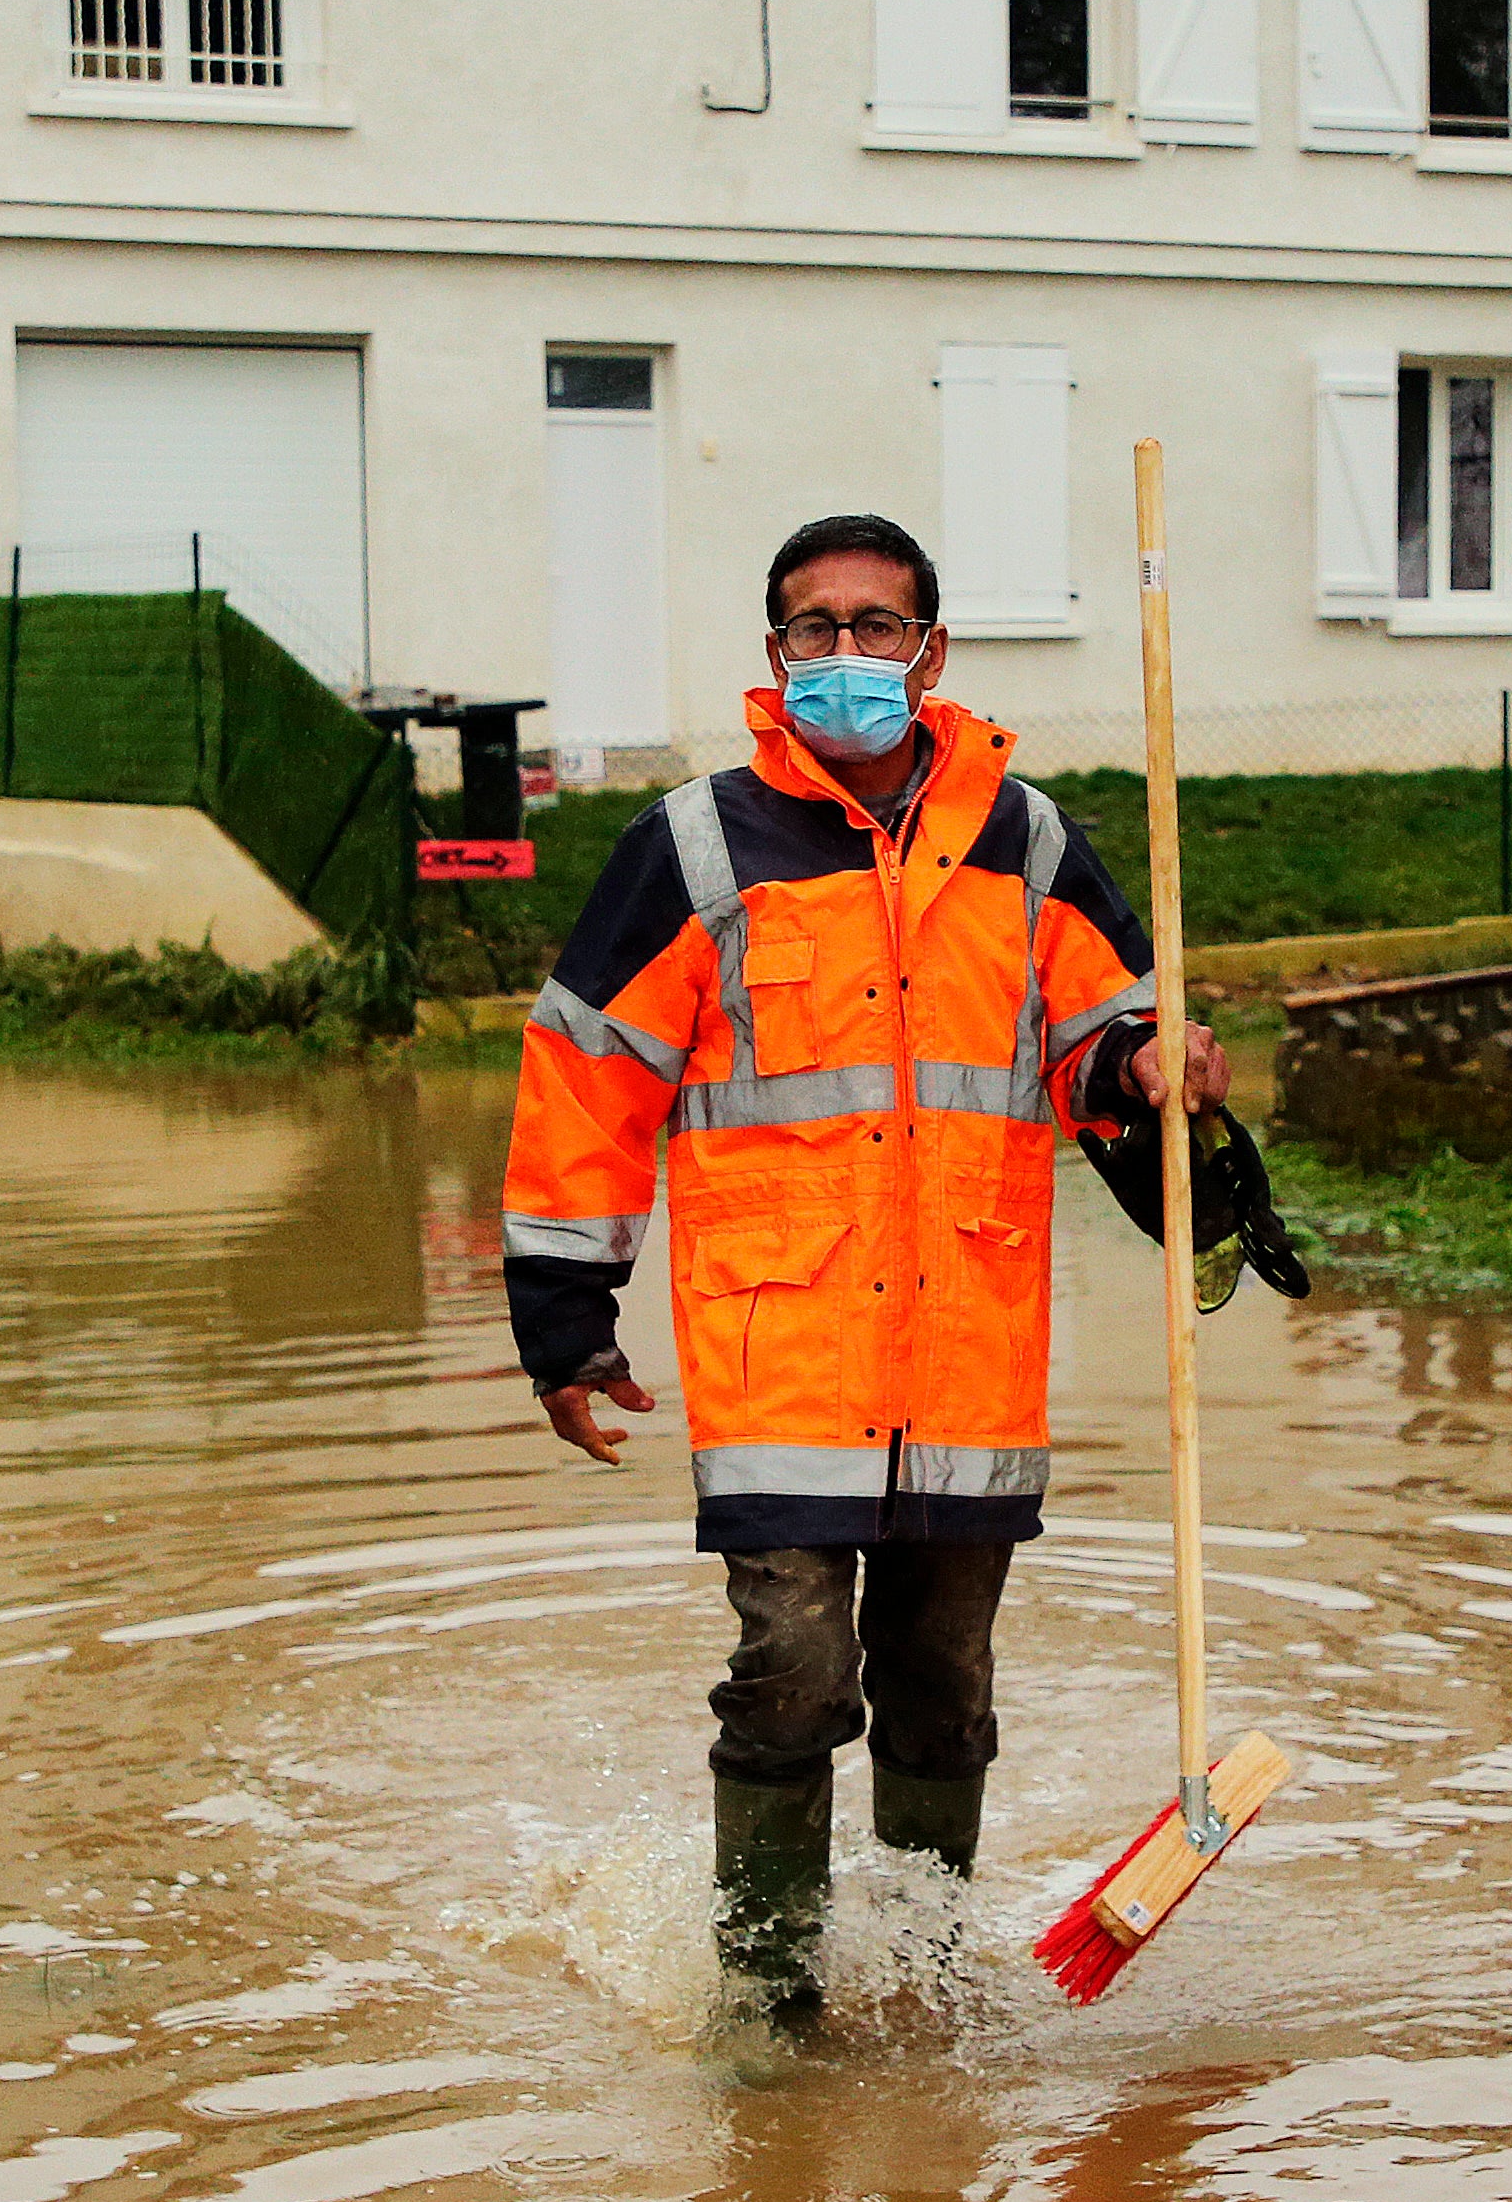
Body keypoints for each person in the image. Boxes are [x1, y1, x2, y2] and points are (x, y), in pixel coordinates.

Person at [500, 509, 1225, 2017]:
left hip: (965, 1358)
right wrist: (565, 1317)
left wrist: (1157, 1069)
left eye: (873, 626)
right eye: (812, 628)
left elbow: (1098, 1047)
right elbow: (588, 1072)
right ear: (776, 655)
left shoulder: (1024, 843)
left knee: (945, 1689)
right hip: (786, 1361)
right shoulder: (695, 846)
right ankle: (769, 2004)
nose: (843, 654)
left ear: (930, 649)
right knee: (792, 1667)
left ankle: (921, 1979)